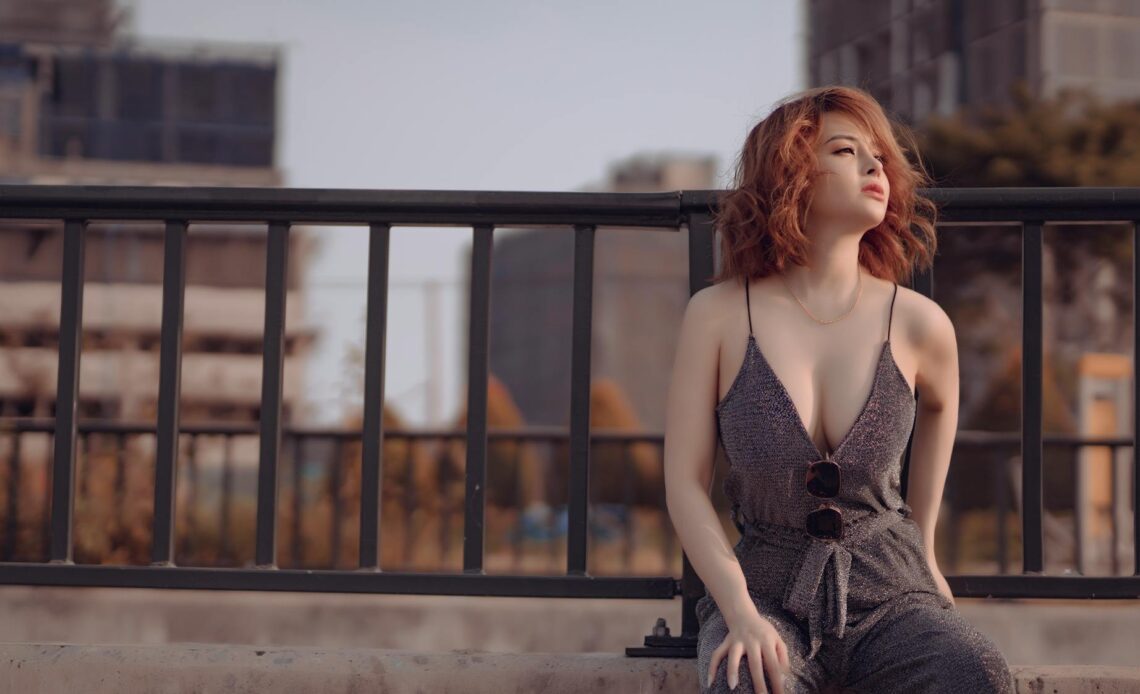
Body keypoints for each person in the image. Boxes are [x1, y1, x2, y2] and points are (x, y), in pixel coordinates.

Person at [662, 86, 1016, 693]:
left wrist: (926, 549)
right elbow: (684, 485)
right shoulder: (718, 314)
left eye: (878, 154)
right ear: (791, 172)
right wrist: (740, 613)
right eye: (847, 151)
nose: (875, 165)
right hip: (765, 593)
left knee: (974, 673)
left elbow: (939, 407)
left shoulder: (918, 322)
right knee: (747, 681)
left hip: (894, 595)